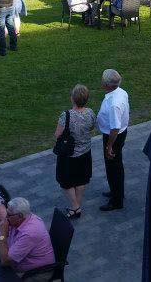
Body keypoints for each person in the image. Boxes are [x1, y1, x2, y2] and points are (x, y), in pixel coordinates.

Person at [0, 197, 55, 276]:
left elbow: (5, 261)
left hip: (36, 272)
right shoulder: (15, 221)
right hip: (18, 264)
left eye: (9, 215)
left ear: (19, 216)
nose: (6, 217)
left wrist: (3, 234)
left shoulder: (30, 233)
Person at [54, 84, 96, 219]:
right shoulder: (90, 112)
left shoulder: (66, 115)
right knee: (81, 179)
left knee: (66, 181)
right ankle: (77, 205)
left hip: (68, 155)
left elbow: (57, 135)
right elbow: (91, 127)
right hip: (85, 152)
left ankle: (75, 207)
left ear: (73, 98)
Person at [97, 69, 129, 212]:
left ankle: (116, 201)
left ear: (107, 84)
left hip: (113, 137)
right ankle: (116, 192)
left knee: (113, 168)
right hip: (118, 134)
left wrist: (109, 146)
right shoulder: (120, 92)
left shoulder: (114, 103)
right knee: (115, 166)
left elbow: (115, 127)